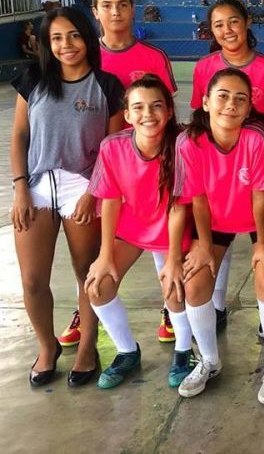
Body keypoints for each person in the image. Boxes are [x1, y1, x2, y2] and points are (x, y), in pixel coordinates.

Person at [10, 7, 124, 388]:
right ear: (47, 44)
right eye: (56, 38)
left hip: (84, 186)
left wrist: (95, 192)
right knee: (31, 280)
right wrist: (20, 187)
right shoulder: (33, 79)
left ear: (87, 38)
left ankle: (88, 346)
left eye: (73, 35)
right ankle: (47, 347)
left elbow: (113, 149)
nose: (66, 45)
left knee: (86, 274)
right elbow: (19, 136)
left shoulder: (107, 86)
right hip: (38, 184)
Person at [169, 68, 264, 402]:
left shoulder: (257, 137)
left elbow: (260, 195)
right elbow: (198, 199)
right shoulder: (188, 142)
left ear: (250, 108)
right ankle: (209, 359)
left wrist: (263, 243)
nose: (230, 105)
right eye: (222, 96)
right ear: (205, 102)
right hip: (216, 217)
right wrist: (205, 246)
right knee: (195, 283)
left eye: (241, 99)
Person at [85, 75, 194, 390]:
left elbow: (177, 207)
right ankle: (127, 351)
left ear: (170, 110)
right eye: (139, 107)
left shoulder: (181, 145)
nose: (148, 114)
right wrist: (105, 256)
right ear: (128, 115)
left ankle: (184, 350)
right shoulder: (113, 146)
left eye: (156, 105)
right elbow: (110, 200)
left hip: (170, 228)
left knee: (173, 288)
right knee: (98, 286)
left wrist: (173, 258)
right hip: (132, 229)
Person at [191, 0, 264, 328]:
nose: (227, 30)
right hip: (220, 180)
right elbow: (198, 118)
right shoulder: (204, 68)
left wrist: (255, 144)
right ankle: (216, 306)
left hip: (257, 175)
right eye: (218, 25)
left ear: (247, 22)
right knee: (221, 240)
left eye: (233, 21)